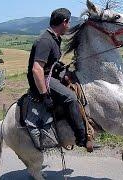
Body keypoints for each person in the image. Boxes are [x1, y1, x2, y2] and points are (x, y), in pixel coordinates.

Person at [27, 8, 90, 150]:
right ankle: (82, 137)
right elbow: (37, 69)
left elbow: (51, 63)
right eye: (69, 23)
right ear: (64, 22)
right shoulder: (45, 40)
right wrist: (44, 95)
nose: (69, 26)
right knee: (71, 97)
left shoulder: (55, 38)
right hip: (43, 79)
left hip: (50, 75)